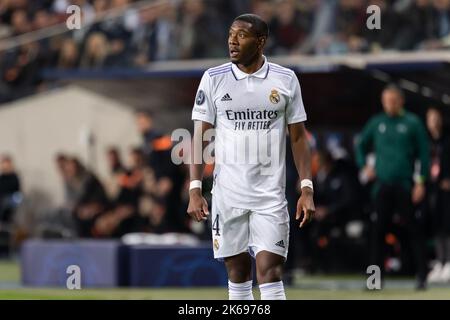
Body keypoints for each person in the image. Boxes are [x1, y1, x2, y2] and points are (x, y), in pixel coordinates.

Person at [187, 14, 315, 300]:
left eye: (241, 35)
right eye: (231, 34)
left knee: (270, 270)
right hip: (227, 195)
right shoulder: (213, 79)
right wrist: (195, 189)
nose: (232, 40)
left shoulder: (285, 79)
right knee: (238, 271)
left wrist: (307, 188)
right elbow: (200, 137)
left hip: (269, 195)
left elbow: (297, 137)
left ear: (261, 42)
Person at [355, 84, 430, 289]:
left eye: (393, 100)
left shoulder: (412, 123)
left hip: (406, 185)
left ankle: (422, 277)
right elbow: (360, 145)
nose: (389, 104)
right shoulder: (377, 122)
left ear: (401, 101)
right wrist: (364, 167)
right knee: (377, 233)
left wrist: (421, 182)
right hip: (382, 187)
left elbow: (424, 155)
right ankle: (374, 281)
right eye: (386, 101)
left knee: (414, 231)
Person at [424, 107, 450, 283]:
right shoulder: (427, 142)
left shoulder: (447, 140)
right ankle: (440, 262)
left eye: (436, 118)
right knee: (437, 225)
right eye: (430, 118)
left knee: (448, 224)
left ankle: (449, 261)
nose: (433, 122)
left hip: (447, 188)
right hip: (433, 189)